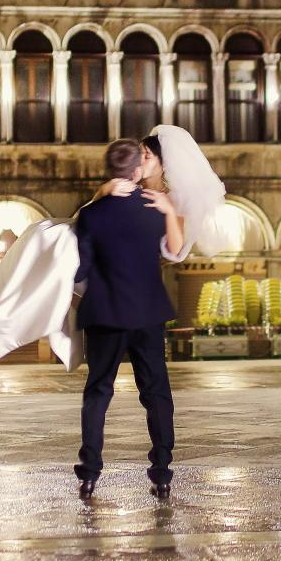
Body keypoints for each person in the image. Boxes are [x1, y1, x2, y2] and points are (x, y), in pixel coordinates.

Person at [0, 125, 226, 372]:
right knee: (47, 236)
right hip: (105, 279)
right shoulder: (127, 188)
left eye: (145, 156)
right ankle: (14, 311)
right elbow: (87, 219)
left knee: (149, 377)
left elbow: (175, 251)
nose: (139, 160)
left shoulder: (171, 201)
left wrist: (168, 212)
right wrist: (105, 191)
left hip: (138, 292)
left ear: (163, 164)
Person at [74, 138, 180, 498]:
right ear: (136, 171)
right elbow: (173, 250)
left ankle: (90, 472)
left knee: (98, 393)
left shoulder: (91, 213)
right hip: (148, 313)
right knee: (156, 393)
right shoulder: (156, 209)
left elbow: (80, 271)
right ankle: (162, 471)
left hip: (104, 313)